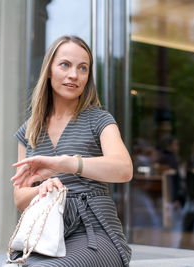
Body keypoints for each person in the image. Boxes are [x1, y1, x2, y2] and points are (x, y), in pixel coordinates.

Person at [8, 35, 132, 267]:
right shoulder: (30, 130)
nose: (74, 75)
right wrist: (41, 190)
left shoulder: (100, 120)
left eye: (82, 68)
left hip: (95, 233)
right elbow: (19, 198)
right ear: (49, 70)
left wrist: (66, 164)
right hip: (46, 234)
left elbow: (124, 170)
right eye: (65, 64)